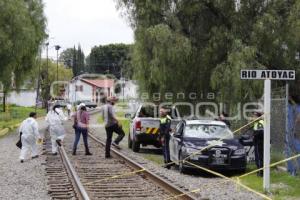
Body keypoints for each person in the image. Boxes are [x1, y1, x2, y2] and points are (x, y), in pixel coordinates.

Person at [253, 111, 264, 177]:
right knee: (258, 157)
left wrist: (254, 136)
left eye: (255, 116)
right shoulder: (256, 123)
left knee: (259, 157)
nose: (253, 117)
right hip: (257, 142)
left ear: (258, 117)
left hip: (259, 142)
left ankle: (260, 172)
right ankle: (259, 171)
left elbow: (260, 133)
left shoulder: (260, 123)